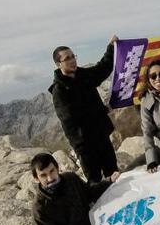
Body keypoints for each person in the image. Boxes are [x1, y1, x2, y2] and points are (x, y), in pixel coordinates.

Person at [50, 35, 120, 183]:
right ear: (58, 64)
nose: (72, 60)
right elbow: (69, 120)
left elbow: (102, 68)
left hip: (102, 135)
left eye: (73, 56)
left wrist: (111, 47)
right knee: (95, 182)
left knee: (114, 174)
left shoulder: (83, 75)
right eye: (67, 58)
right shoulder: (60, 90)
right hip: (86, 145)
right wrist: (102, 110)